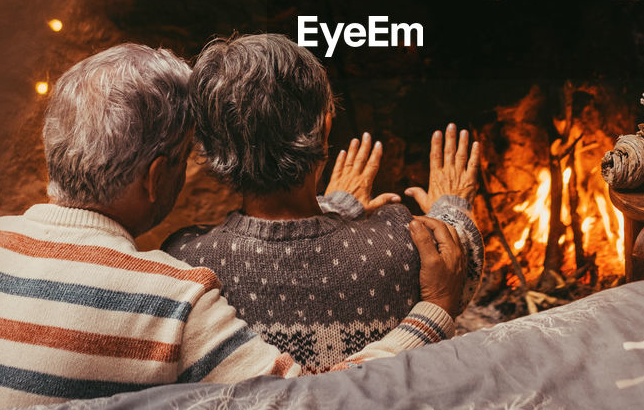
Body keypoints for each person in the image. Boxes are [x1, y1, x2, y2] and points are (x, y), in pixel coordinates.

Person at [0, 43, 465, 410]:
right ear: (157, 176)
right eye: (182, 159)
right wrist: (436, 309)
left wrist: (331, 207)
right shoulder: (165, 297)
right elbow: (315, 407)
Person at [163, 33, 483, 371]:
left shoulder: (184, 261)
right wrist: (453, 205)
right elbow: (459, 260)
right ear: (326, 128)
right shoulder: (402, 242)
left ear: (212, 149)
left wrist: (335, 206)